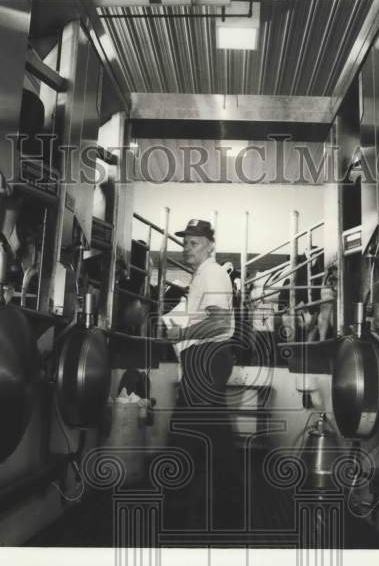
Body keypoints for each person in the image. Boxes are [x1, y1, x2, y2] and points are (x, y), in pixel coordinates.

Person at [161, 219, 243, 531]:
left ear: (210, 245)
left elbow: (219, 324)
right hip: (205, 361)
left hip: (206, 359)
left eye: (194, 243)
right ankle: (227, 514)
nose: (187, 249)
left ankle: (177, 516)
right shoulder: (201, 277)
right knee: (210, 437)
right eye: (184, 243)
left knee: (185, 437)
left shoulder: (212, 273)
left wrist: (182, 331)